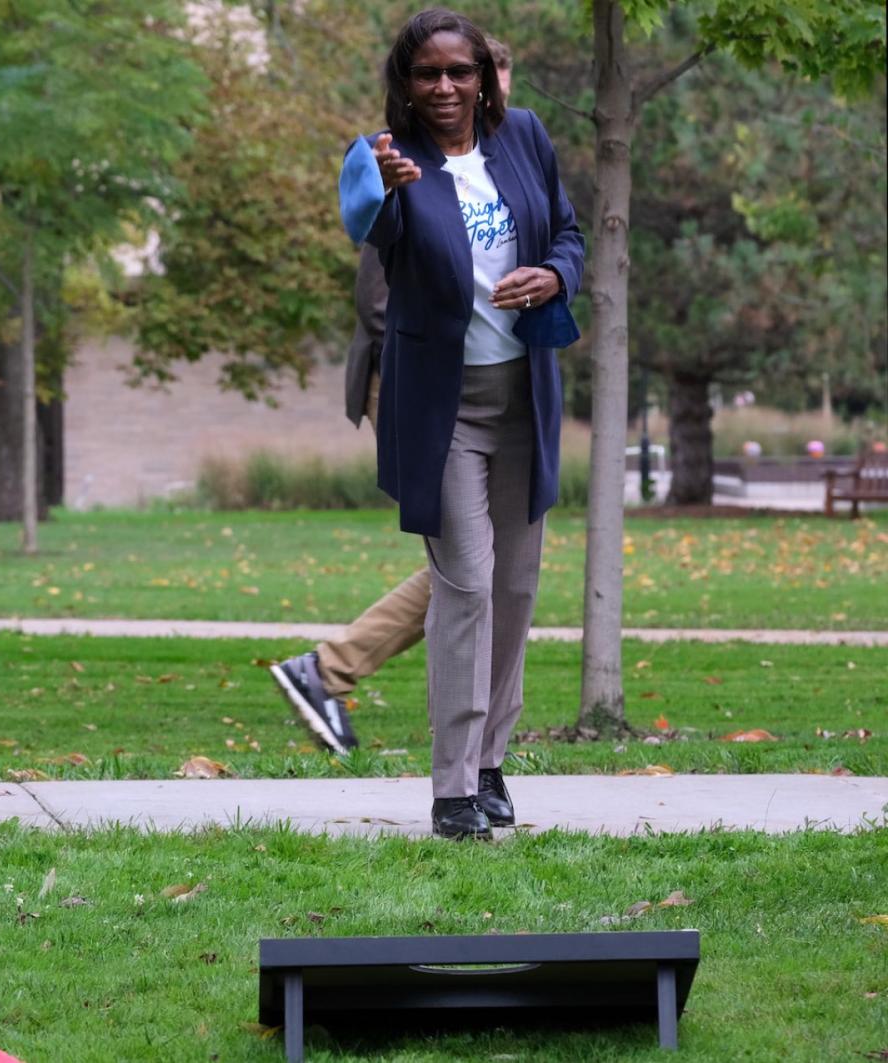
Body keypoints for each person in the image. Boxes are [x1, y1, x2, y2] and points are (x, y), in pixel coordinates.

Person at [350, 10, 582, 839]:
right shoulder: (391, 160)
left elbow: (568, 233)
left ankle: (490, 762)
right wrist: (382, 192)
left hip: (524, 399)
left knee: (517, 589)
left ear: (483, 76)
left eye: (459, 72)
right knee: (468, 585)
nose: (444, 88)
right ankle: (452, 788)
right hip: (443, 409)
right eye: (427, 75)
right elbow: (375, 236)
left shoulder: (523, 137)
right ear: (405, 83)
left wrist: (554, 276)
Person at [270, 37, 515, 756]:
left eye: (476, 80)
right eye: (446, 78)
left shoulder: (499, 164)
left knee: (483, 563)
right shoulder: (409, 163)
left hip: (482, 383)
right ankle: (326, 667)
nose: (464, 95)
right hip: (415, 382)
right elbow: (382, 294)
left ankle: (330, 669)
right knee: (469, 562)